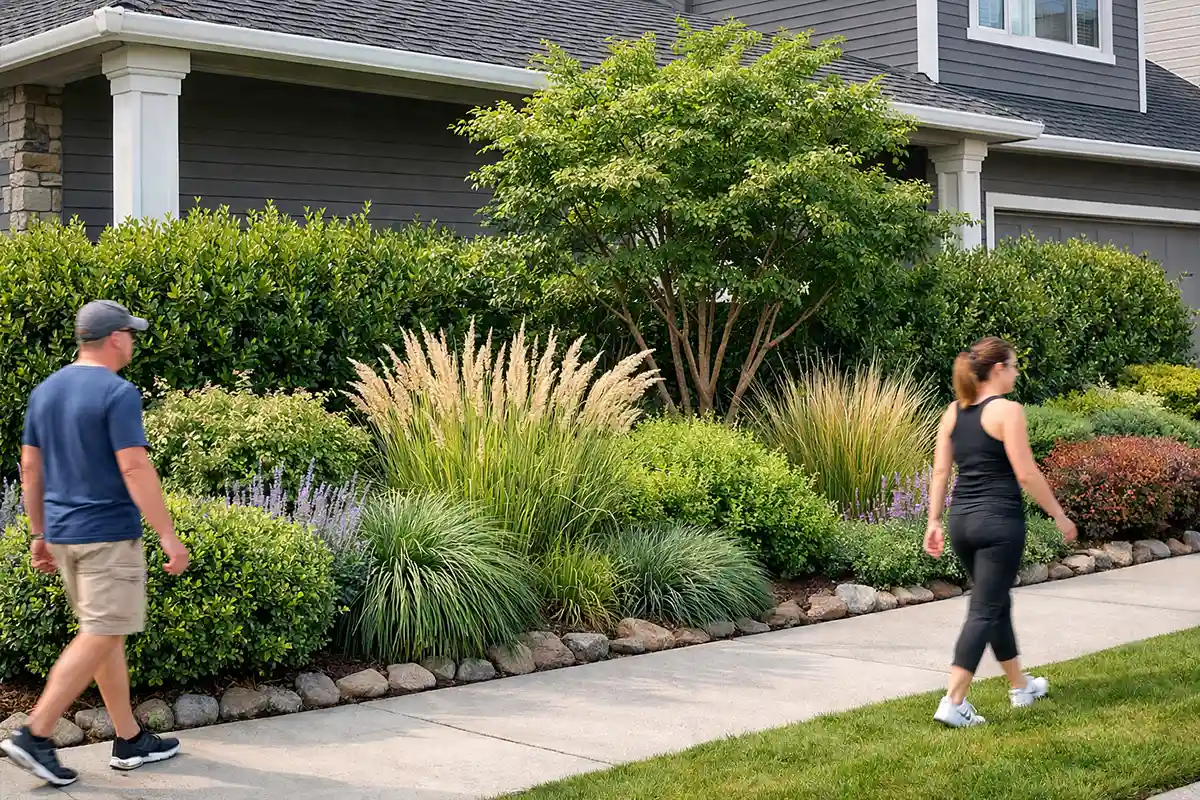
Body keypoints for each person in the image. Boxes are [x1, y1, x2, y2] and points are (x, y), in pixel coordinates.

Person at [1, 300, 190, 787]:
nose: (132, 341)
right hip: (106, 535)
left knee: (105, 634)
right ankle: (35, 734)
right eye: (130, 333)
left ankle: (129, 739)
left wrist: (38, 533)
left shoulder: (46, 391)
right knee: (103, 631)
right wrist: (168, 535)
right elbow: (133, 466)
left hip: (64, 536)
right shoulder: (117, 392)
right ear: (114, 338)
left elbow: (31, 470)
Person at [923, 336, 1077, 728]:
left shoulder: (952, 412)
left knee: (995, 604)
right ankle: (953, 702)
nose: (1017, 372)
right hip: (998, 524)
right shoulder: (1008, 411)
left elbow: (941, 472)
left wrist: (933, 521)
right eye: (1013, 365)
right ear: (998, 370)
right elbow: (1025, 473)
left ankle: (1020, 686)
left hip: (961, 524)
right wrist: (1058, 514)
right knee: (985, 609)